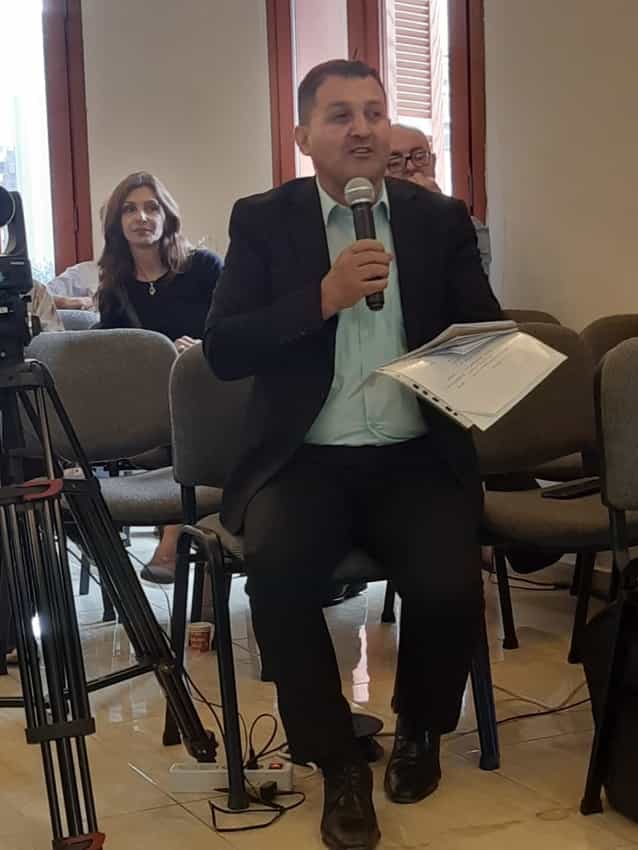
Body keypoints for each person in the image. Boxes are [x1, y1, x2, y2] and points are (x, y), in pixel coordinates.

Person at [204, 59, 501, 850]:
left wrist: (488, 362)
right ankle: (336, 759)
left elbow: (481, 328)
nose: (363, 128)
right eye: (340, 115)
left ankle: (419, 731)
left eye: (374, 111)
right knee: (276, 578)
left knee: (448, 584)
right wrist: (323, 299)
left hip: (415, 454)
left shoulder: (438, 219)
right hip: (306, 459)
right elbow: (224, 349)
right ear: (304, 136)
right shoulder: (263, 221)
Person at [97, 171, 222, 581]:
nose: (142, 217)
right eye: (130, 209)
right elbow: (116, 356)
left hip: (212, 392)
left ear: (167, 215)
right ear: (117, 222)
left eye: (152, 207)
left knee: (194, 412)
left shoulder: (203, 267)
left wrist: (201, 348)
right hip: (150, 406)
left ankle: (172, 540)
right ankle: (189, 538)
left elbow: (237, 328)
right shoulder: (115, 288)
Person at [387, 123, 492, 277]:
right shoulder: (375, 225)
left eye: (419, 156)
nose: (410, 167)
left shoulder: (469, 225)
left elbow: (473, 282)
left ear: (433, 162)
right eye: (395, 162)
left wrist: (440, 214)